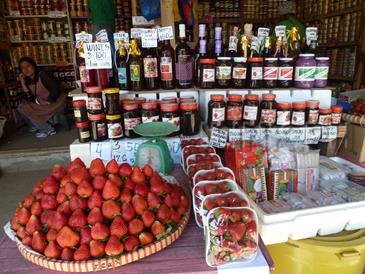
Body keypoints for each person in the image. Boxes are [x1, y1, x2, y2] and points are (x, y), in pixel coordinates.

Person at [17, 57, 67, 138]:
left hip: (56, 102)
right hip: (43, 104)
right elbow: (30, 99)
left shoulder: (43, 74)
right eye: (23, 68)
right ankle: (36, 125)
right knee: (21, 107)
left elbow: (56, 88)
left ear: (33, 65)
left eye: (28, 66)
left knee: (25, 108)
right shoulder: (28, 80)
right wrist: (22, 83)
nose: (26, 69)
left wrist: (50, 100)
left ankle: (47, 129)